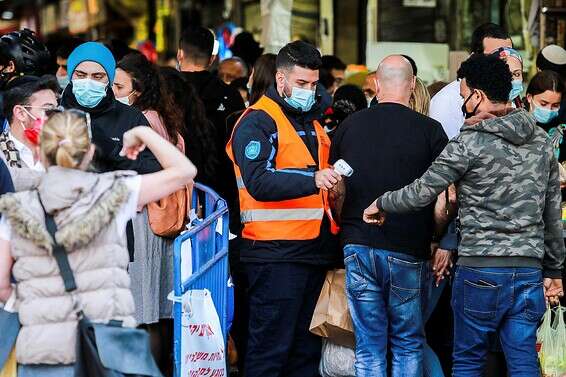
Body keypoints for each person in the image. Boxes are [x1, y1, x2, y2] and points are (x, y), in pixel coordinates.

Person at [365, 53, 565, 375]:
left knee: (469, 362)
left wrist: (382, 203)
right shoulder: (541, 142)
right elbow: (552, 212)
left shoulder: (468, 143)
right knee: (524, 362)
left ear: (479, 96)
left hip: (479, 271)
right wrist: (554, 269)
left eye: (463, 97)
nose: (462, 105)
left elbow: (422, 191)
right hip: (528, 271)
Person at [0, 110, 197, 376]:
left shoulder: (16, 210)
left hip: (42, 350)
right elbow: (185, 171)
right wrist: (143, 132)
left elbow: (2, 286)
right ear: (91, 153)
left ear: (38, 152)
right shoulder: (116, 193)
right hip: (106, 347)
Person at [226, 40, 341, 377]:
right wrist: (313, 179)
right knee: (269, 353)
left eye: (313, 84)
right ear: (281, 80)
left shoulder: (310, 123)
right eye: (301, 83)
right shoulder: (258, 122)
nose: (309, 90)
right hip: (274, 255)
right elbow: (259, 181)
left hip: (311, 251)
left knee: (304, 354)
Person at [328, 55, 447, 377]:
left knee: (369, 342)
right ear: (411, 86)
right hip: (408, 248)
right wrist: (436, 236)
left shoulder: (347, 127)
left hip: (358, 246)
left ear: (376, 85)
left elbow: (336, 189)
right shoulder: (431, 131)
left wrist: (348, 225)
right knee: (407, 340)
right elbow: (442, 199)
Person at [113, 52, 186, 374]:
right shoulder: (161, 118)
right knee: (155, 311)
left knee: (145, 312)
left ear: (137, 89)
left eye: (118, 86)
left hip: (144, 223)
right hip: (160, 226)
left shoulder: (143, 122)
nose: (111, 92)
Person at [61, 42, 160, 174]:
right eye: (80, 75)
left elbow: (153, 167)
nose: (88, 82)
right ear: (70, 76)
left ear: (110, 80)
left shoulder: (130, 117)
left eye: (97, 77)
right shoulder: (55, 114)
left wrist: (111, 149)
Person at [177, 26, 245, 202]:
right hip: (221, 195)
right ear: (212, 59)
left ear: (180, 54)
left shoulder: (163, 92)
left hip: (174, 193)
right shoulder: (230, 95)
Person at [430, 23, 512, 139]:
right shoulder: (446, 102)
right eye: (494, 57)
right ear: (474, 57)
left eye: (510, 56)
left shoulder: (512, 93)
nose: (506, 63)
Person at [1, 75, 59, 190]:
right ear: (21, 113)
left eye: (57, 110)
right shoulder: (1, 155)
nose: (57, 117)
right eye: (48, 110)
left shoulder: (64, 150)